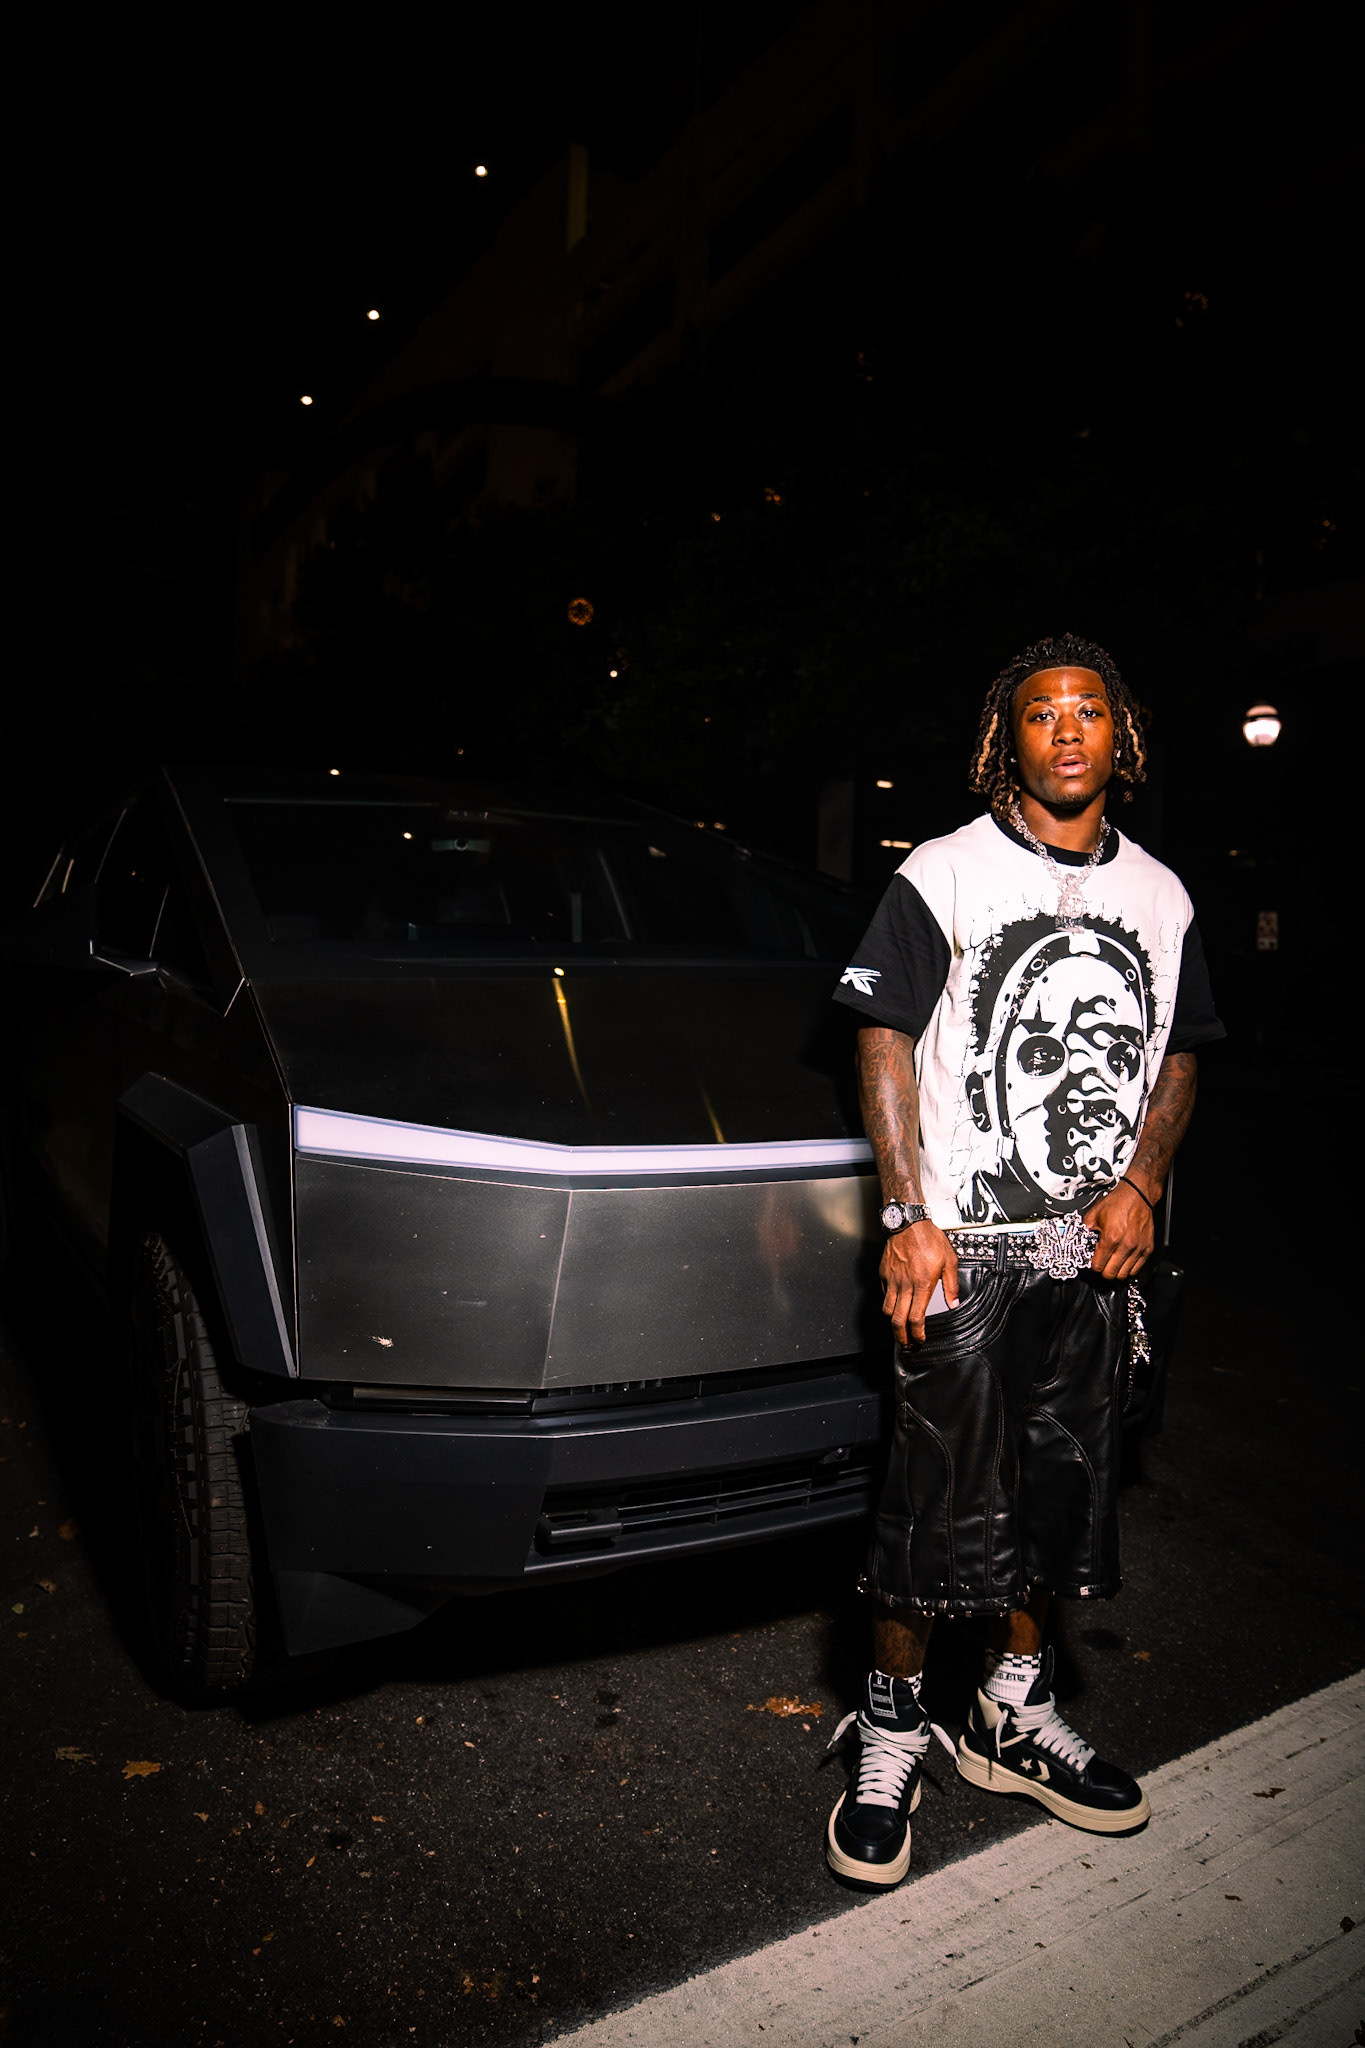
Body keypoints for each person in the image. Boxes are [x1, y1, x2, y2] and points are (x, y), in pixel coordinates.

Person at [825, 633, 1224, 1890]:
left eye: (1086, 710)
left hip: (1091, 1263)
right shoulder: (945, 870)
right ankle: (893, 1723)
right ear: (1010, 737)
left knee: (1055, 1502)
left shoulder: (1161, 896)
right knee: (930, 1504)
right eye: (1040, 712)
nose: (1065, 730)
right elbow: (882, 1038)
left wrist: (1142, 1181)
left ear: (1122, 734)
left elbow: (1181, 1051)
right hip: (959, 1255)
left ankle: (1011, 1707)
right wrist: (907, 1212)